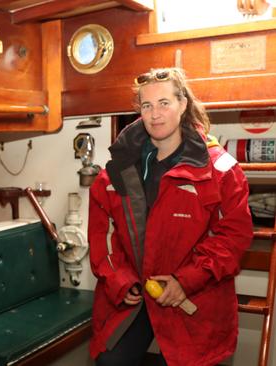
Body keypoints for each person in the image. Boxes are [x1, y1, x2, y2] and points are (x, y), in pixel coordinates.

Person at [87, 67, 252, 366]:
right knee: (110, 361)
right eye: (147, 105)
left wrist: (185, 280)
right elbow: (104, 237)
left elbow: (233, 238)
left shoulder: (220, 170)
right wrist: (120, 282)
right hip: (136, 295)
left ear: (183, 104)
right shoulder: (116, 171)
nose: (155, 114)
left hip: (194, 297)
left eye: (164, 103)